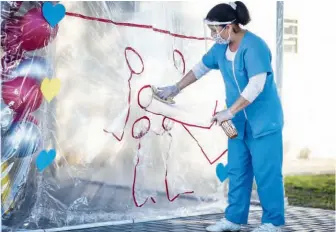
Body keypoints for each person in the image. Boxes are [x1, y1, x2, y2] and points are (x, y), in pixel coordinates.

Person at [156, 1, 285, 232]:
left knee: (267, 173)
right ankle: (234, 219)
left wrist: (229, 111)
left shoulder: (254, 47)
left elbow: (256, 85)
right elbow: (199, 69)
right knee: (237, 170)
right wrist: (175, 88)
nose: (213, 35)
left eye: (216, 30)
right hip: (236, 124)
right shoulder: (221, 49)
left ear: (230, 26)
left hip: (264, 123)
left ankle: (273, 223)